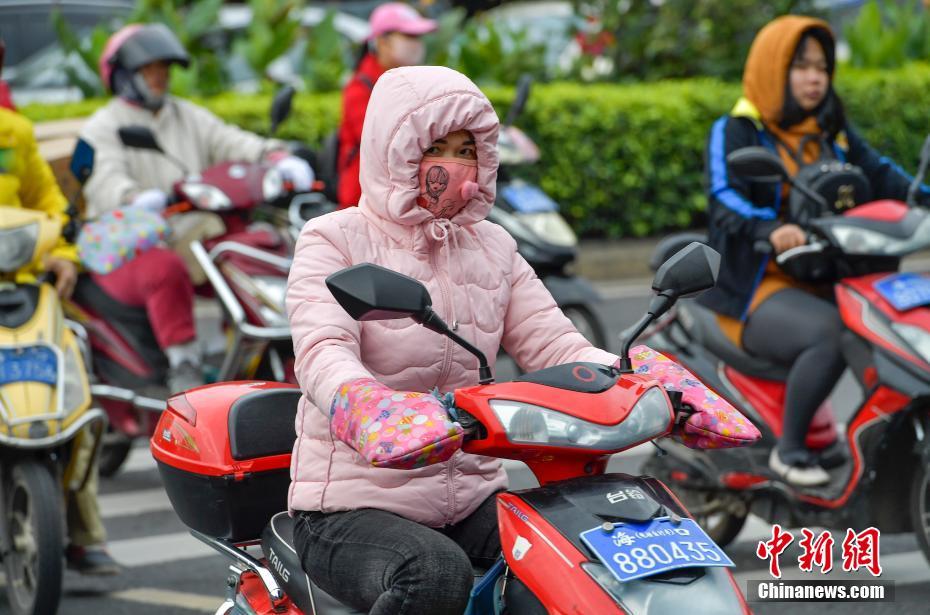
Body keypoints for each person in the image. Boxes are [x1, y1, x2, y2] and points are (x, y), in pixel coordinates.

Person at [286, 65, 759, 614]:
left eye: (467, 150)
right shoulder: (334, 240)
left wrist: (644, 381)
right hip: (349, 507)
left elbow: (557, 346)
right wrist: (372, 409)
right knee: (434, 574)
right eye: (438, 147)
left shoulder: (494, 247)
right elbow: (323, 352)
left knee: (583, 550)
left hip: (470, 498)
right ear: (397, 150)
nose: (456, 164)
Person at [699, 16, 928, 486]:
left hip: (822, 277)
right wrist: (771, 229)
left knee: (882, 323)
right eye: (800, 66)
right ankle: (790, 452)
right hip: (756, 287)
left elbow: (883, 175)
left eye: (822, 68)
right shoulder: (738, 129)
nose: (814, 78)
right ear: (773, 68)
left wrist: (921, 200)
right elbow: (724, 198)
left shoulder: (830, 131)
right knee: (833, 332)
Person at [78, 23, 314, 394]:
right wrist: (133, 197)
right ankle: (183, 363)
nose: (160, 76)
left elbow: (229, 140)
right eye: (148, 69)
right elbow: (103, 179)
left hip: (187, 231)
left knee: (243, 246)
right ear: (122, 75)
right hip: (127, 246)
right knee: (164, 268)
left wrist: (275, 156)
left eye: (164, 68)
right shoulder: (101, 127)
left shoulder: (185, 114)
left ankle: (252, 346)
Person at [1, 105, 119, 575]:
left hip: (25, 286)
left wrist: (65, 254)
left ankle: (83, 533)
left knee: (69, 394)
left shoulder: (12, 132)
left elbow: (52, 204)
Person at [336, 2, 436, 208]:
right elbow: (383, 142)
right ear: (382, 42)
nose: (416, 44)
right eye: (409, 36)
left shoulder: (414, 82)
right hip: (364, 201)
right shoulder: (360, 88)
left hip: (407, 197)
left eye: (418, 37)